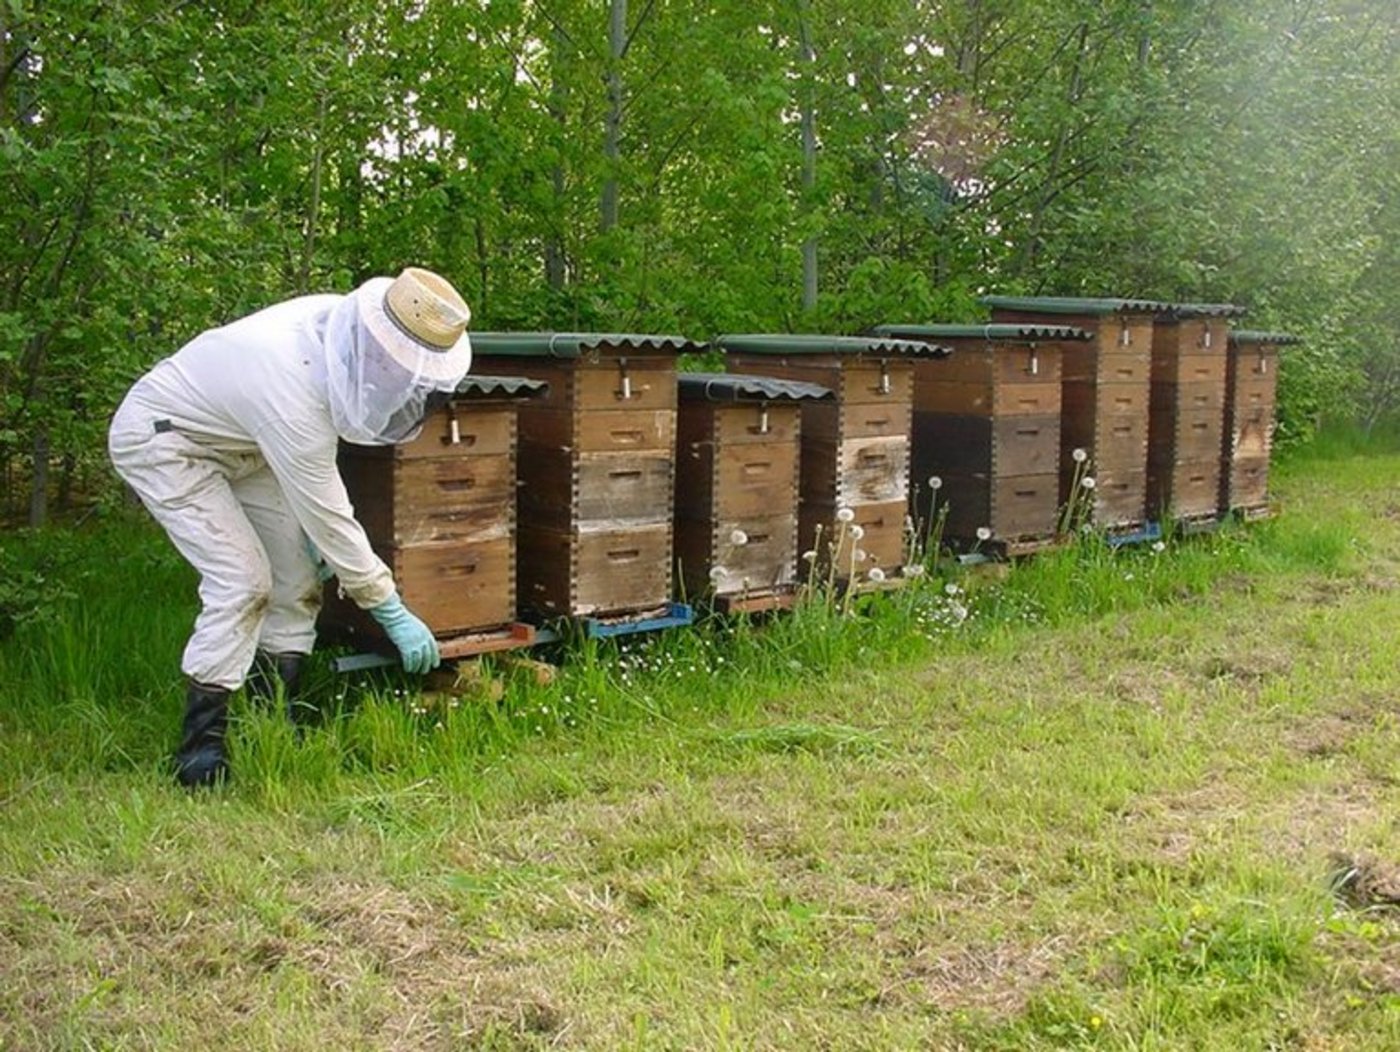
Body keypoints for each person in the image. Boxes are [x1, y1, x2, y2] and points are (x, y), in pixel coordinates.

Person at [108, 267, 473, 788]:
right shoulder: (292, 389)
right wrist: (387, 606)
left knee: (298, 578)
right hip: (167, 439)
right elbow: (329, 514)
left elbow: (316, 497)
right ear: (378, 348)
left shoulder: (339, 333)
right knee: (243, 582)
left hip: (245, 443)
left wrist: (318, 538)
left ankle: (273, 714)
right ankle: (200, 749)